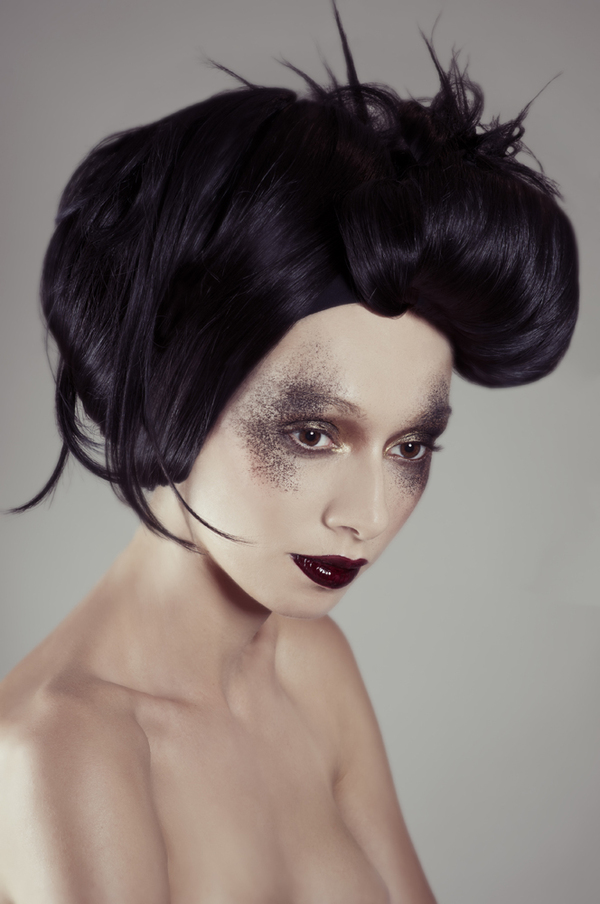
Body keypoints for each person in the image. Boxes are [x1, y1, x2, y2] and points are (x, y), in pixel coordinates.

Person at [0, 9, 578, 903]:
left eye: (410, 445)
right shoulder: (61, 753)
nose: (369, 516)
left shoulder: (311, 661)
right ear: (172, 384)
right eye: (312, 433)